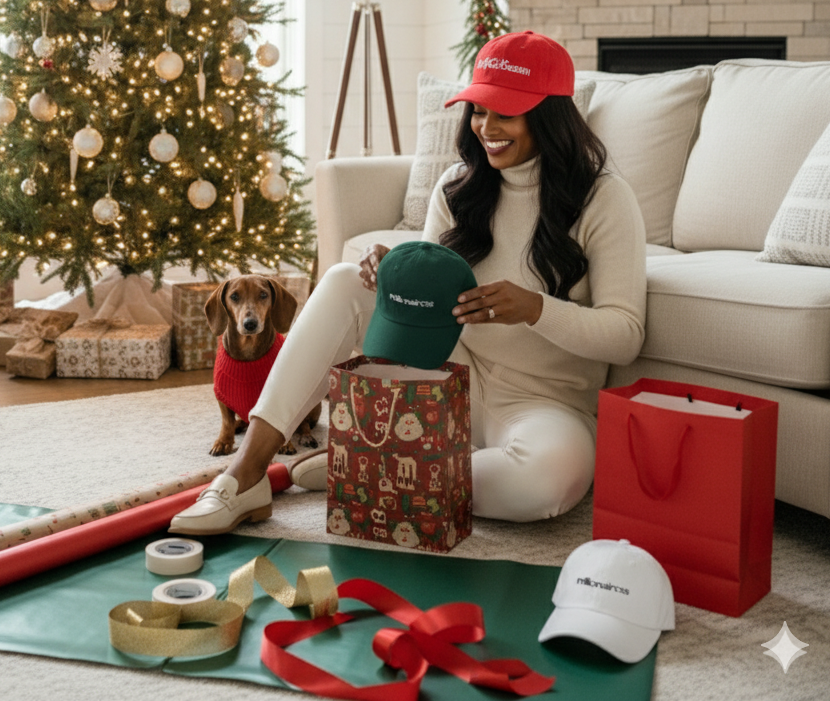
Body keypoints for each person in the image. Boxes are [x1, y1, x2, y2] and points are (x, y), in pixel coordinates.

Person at [170, 30, 647, 534]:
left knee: (548, 484)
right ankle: (245, 477)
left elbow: (625, 334)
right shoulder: (459, 188)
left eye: (505, 112)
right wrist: (393, 270)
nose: (486, 127)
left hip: (544, 404)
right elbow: (426, 300)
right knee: (343, 278)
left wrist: (535, 308)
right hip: (449, 380)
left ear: (551, 116)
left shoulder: (604, 199)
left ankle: (359, 469)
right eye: (479, 111)